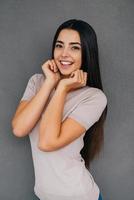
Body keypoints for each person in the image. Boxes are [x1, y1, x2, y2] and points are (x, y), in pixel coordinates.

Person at [11, 19, 108, 200]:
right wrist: (50, 83)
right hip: (43, 195)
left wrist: (63, 87)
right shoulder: (37, 82)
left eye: (75, 47)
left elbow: (46, 142)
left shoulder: (94, 97)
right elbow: (19, 129)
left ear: (87, 53)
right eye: (59, 45)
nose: (64, 54)